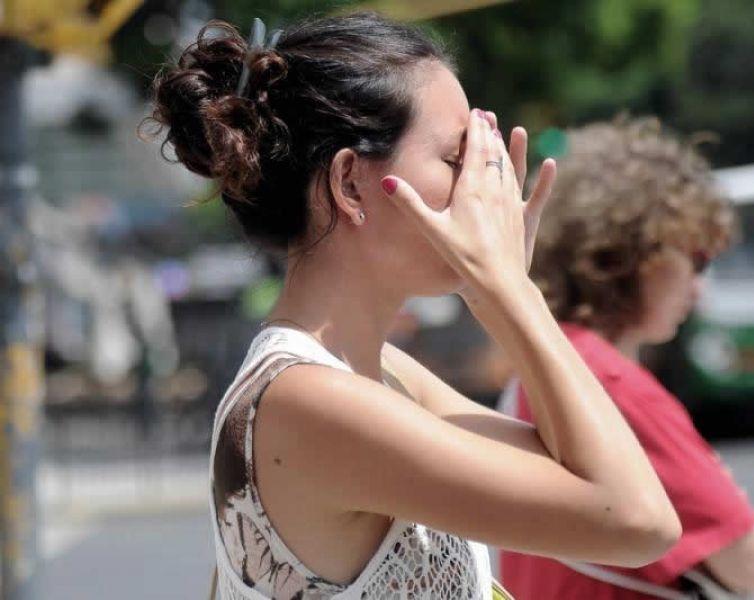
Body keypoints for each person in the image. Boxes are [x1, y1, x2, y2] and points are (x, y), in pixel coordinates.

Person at [147, 13, 681, 600]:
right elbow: (638, 522)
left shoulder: (382, 375)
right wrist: (509, 289)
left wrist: (494, 288)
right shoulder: (308, 401)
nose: (483, 184)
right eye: (456, 160)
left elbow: (578, 470)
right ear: (350, 183)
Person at [499, 118, 754, 599]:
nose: (698, 286)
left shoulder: (544, 360)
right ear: (632, 254)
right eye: (696, 258)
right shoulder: (611, 385)